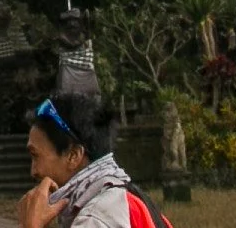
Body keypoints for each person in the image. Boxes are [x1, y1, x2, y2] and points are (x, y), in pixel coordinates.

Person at [14, 94, 147, 228]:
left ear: (73, 156)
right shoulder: (117, 197)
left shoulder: (95, 219)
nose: (33, 171)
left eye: (35, 155)